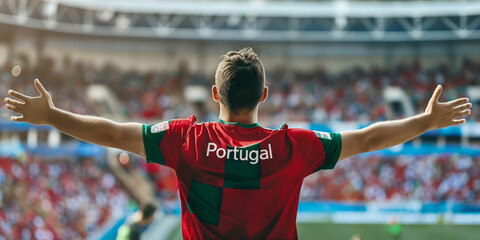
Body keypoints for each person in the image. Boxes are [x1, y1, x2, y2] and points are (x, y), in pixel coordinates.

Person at [4, 48, 472, 239]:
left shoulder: (186, 140)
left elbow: (109, 131)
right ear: (264, 96)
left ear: (214, 96)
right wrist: (426, 121)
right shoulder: (296, 147)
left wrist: (50, 115)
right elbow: (370, 137)